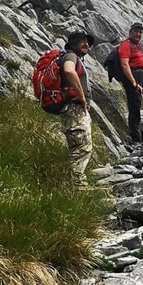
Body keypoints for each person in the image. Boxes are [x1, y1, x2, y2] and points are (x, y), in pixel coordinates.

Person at [60, 30, 94, 184]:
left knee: (82, 145)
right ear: (73, 44)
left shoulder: (76, 58)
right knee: (81, 147)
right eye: (82, 41)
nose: (86, 44)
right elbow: (68, 70)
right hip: (74, 108)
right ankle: (77, 185)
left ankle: (75, 182)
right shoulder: (70, 56)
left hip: (76, 109)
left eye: (87, 42)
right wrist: (81, 95)